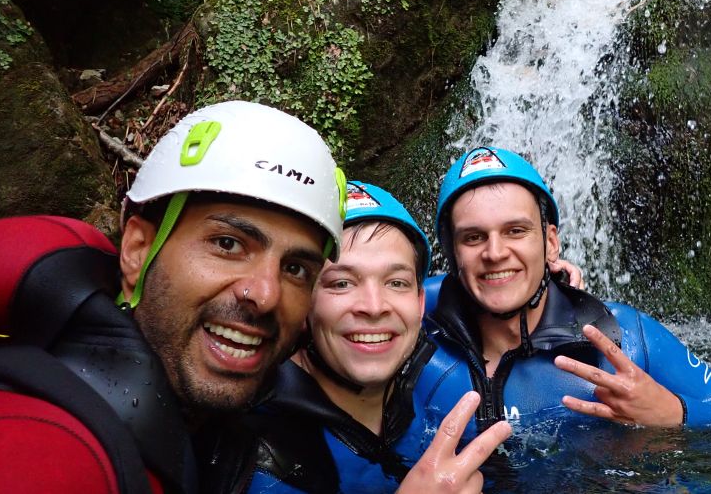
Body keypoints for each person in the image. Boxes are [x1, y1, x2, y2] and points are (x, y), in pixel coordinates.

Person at [0, 100, 349, 493]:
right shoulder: (38, 443)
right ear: (138, 251)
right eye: (228, 244)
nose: (265, 294)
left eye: (295, 269)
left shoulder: (264, 423)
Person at [418, 146, 711, 446]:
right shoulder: (411, 348)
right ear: (452, 255)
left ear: (550, 244)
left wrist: (674, 412)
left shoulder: (626, 336)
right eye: (473, 237)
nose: (495, 252)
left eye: (515, 231)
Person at [197, 181, 513, 493]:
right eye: (342, 284)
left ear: (419, 303)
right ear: (303, 305)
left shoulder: (444, 373)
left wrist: (556, 288)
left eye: (396, 283)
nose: (374, 307)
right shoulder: (257, 455)